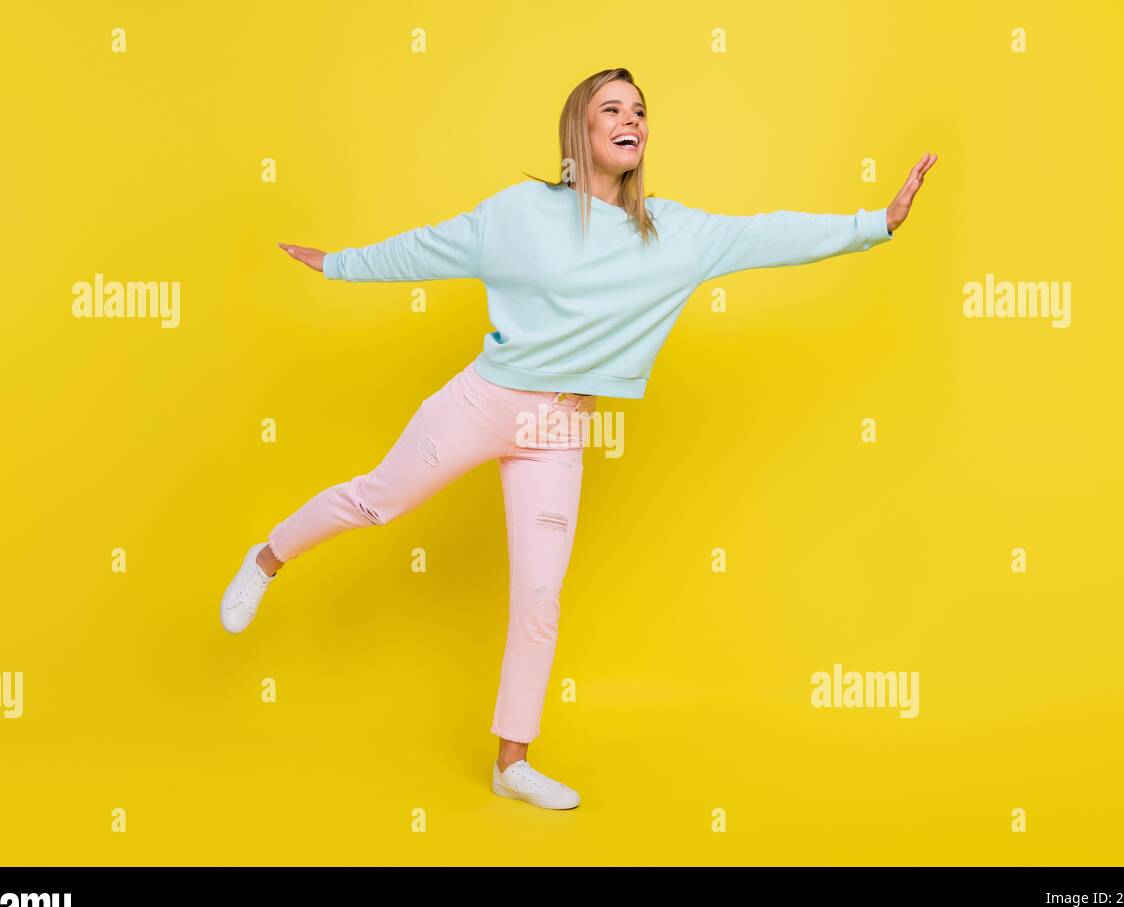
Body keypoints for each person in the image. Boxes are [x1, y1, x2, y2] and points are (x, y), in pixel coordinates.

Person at [219, 66, 937, 811]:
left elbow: (769, 234)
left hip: (559, 425)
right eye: (612, 109)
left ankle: (511, 763)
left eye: (640, 110)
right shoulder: (522, 214)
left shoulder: (674, 236)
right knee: (375, 502)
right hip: (483, 401)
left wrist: (874, 224)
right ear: (580, 130)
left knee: (539, 592)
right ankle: (266, 559)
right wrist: (337, 265)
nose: (631, 120)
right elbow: (431, 248)